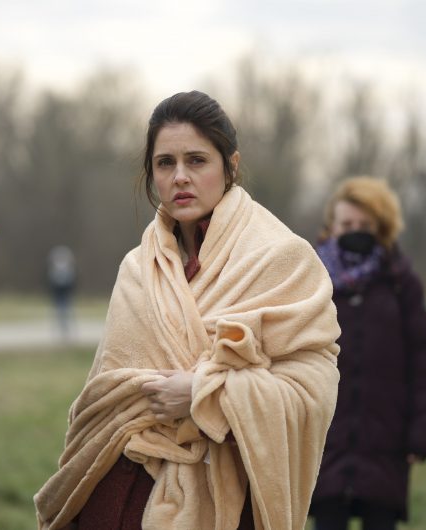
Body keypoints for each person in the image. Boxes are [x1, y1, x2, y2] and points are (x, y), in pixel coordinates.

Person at [34, 91, 342, 530]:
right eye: (165, 163)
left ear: (230, 166)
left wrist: (206, 394)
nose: (180, 177)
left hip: (223, 501)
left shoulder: (283, 259)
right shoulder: (137, 268)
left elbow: (311, 390)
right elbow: (103, 397)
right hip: (115, 493)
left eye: (197, 160)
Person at [309, 177, 426, 530]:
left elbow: (422, 360)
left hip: (386, 440)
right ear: (332, 226)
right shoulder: (310, 279)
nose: (355, 231)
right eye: (347, 224)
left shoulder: (401, 282)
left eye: (365, 225)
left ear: (382, 228)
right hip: (325, 438)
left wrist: (423, 429)